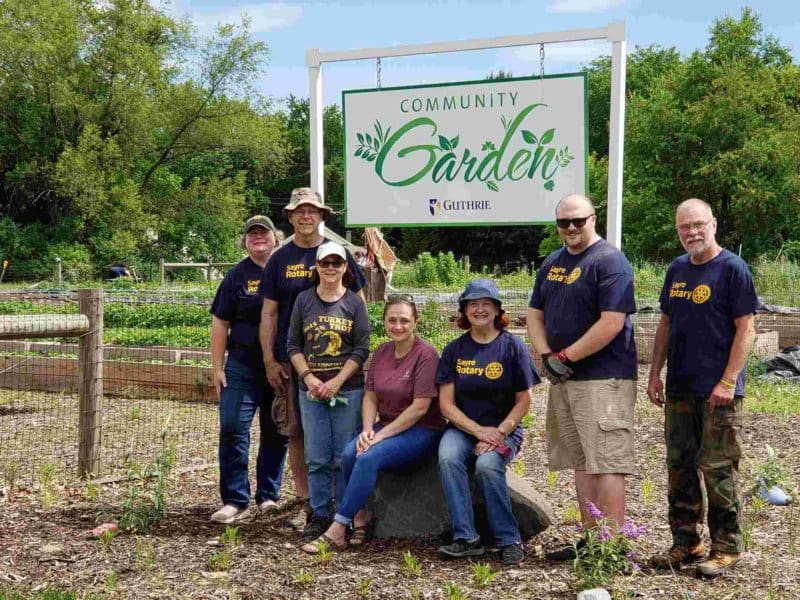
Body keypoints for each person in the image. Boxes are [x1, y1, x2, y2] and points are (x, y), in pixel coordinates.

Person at [648, 198, 757, 577]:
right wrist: (654, 372)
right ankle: (686, 542)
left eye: (698, 224)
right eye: (684, 227)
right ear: (678, 231)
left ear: (713, 224)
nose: (692, 232)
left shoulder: (732, 269)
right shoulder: (677, 269)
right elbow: (665, 322)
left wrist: (728, 381)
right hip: (680, 387)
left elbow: (747, 328)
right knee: (679, 467)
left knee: (718, 468)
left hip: (719, 392)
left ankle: (726, 546)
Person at [527, 194, 638, 561]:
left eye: (578, 221)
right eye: (564, 223)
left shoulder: (609, 261)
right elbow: (534, 313)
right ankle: (592, 543)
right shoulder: (553, 263)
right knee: (581, 461)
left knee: (607, 461)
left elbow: (612, 322)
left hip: (603, 378)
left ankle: (613, 548)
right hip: (565, 379)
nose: (571, 228)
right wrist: (545, 354)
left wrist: (565, 356)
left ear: (594, 218)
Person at [302, 293, 445, 553]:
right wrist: (368, 429)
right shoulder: (381, 351)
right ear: (384, 321)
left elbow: (419, 408)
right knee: (349, 452)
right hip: (387, 426)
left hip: (422, 429)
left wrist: (379, 437)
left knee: (367, 457)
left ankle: (337, 528)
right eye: (392, 320)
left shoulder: (426, 356)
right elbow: (370, 396)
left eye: (404, 320)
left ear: (416, 322)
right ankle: (361, 515)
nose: (398, 326)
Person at [259, 188, 367, 531]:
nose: (306, 217)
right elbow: (270, 315)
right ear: (290, 217)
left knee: (342, 444)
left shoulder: (342, 258)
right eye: (299, 212)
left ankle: (343, 508)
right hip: (298, 367)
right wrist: (270, 360)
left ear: (322, 215)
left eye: (312, 211)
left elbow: (359, 312)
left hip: (342, 373)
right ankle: (310, 504)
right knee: (299, 435)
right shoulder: (279, 259)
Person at [437, 278, 539, 566]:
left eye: (486, 304)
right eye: (473, 304)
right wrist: (478, 431)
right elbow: (446, 404)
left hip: (505, 430)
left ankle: (509, 539)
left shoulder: (513, 347)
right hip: (464, 428)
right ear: (464, 311)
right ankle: (466, 538)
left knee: (486, 465)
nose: (479, 309)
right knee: (447, 457)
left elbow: (524, 401)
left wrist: (499, 433)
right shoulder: (454, 350)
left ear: (497, 310)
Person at [286, 241, 371, 542]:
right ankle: (319, 513)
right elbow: (293, 345)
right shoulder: (303, 301)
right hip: (310, 390)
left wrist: (336, 381)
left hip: (347, 389)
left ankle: (344, 515)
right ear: (317, 267)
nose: (331, 268)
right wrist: (309, 378)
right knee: (317, 456)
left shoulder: (354, 303)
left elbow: (362, 347)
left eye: (337, 263)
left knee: (343, 455)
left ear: (346, 268)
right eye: (326, 263)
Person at [209, 215, 288, 523]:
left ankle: (268, 496)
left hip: (279, 366)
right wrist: (217, 367)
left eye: (263, 233)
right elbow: (220, 321)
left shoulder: (285, 270)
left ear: (275, 238)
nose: (258, 238)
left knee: (276, 431)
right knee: (232, 429)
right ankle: (235, 499)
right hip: (241, 366)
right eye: (252, 234)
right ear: (244, 240)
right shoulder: (236, 277)